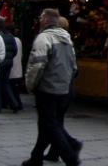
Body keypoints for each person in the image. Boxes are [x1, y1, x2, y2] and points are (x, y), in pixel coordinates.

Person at [22, 9, 81, 166]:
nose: (39, 19)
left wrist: (30, 84)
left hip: (47, 87)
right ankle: (36, 157)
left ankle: (70, 154)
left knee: (49, 124)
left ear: (46, 20)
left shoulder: (44, 37)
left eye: (41, 17)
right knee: (48, 123)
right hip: (63, 87)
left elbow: (37, 64)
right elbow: (73, 65)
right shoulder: (67, 38)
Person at [0, 18, 19, 112]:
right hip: (9, 62)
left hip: (0, 62)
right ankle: (14, 104)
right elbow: (15, 50)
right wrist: (10, 58)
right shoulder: (10, 36)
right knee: (5, 83)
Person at [9, 26, 24, 111]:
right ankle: (17, 103)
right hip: (18, 68)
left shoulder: (12, 40)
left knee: (12, 87)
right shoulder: (18, 40)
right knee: (15, 88)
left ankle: (16, 103)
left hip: (12, 67)